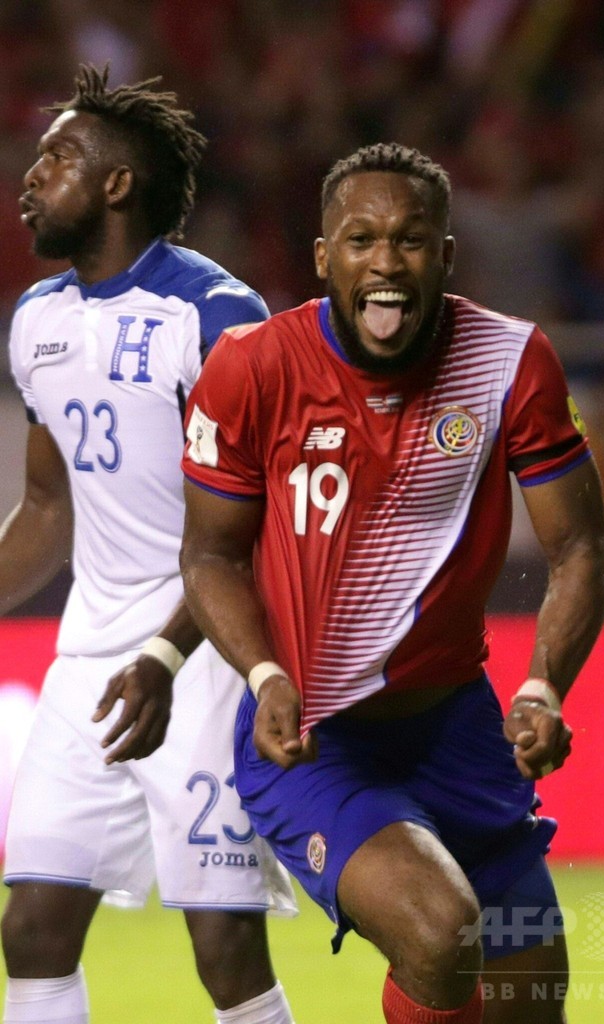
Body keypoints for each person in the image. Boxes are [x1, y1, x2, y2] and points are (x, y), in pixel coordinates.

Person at [179, 142, 604, 1024]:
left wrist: (542, 687)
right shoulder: (252, 365)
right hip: (316, 741)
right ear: (323, 258)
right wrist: (263, 673)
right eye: (361, 239)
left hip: (458, 731)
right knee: (440, 932)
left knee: (531, 1001)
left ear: (444, 256)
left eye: (410, 240)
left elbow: (580, 547)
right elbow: (210, 556)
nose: (385, 261)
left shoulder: (509, 361)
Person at [0, 65, 297, 1024]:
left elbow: (260, 524)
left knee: (224, 948)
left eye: (59, 158)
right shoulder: (36, 321)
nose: (32, 177)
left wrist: (171, 655)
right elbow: (47, 506)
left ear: (118, 184)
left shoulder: (215, 318)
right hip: (87, 662)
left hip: (204, 655)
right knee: (31, 931)